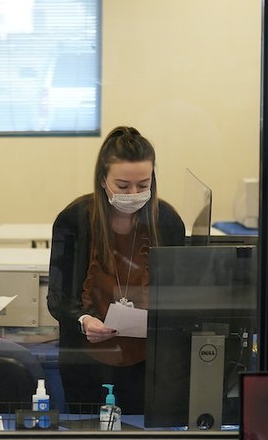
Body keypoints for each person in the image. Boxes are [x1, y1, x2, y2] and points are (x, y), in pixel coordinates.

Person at [47, 126, 186, 414]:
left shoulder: (168, 222)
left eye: (143, 185)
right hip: (86, 362)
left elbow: (180, 294)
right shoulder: (74, 220)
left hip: (151, 364)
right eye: (122, 186)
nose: (133, 194)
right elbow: (59, 297)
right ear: (102, 181)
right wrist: (84, 320)